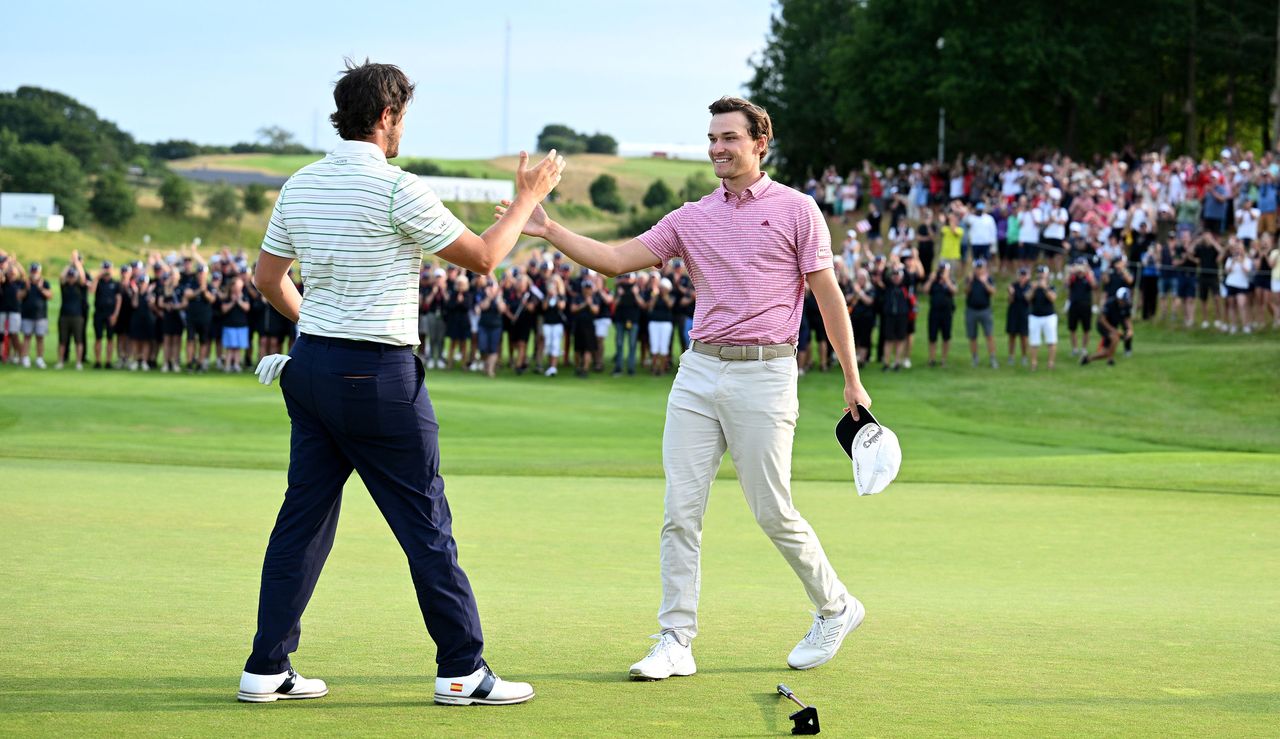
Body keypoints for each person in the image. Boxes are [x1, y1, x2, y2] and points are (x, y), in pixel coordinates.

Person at [500, 96, 872, 679]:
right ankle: (676, 638)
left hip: (766, 372)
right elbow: (617, 259)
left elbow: (828, 297)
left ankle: (836, 606)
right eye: (712, 137)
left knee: (772, 509)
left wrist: (851, 378)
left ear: (759, 144)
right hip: (698, 372)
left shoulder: (798, 211)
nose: (718, 147)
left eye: (730, 137)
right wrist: (549, 229)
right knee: (680, 512)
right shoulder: (691, 217)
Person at [241, 60, 563, 706]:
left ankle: (266, 667)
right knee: (426, 523)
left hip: (311, 370)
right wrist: (528, 197)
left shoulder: (298, 186)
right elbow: (485, 257)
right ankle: (462, 670)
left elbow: (267, 279)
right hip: (378, 377)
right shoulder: (396, 188)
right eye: (402, 118)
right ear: (387, 117)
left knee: (301, 521)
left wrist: (315, 330)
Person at [1081, 286, 1133, 366]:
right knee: (1115, 338)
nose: (1124, 302)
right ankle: (1110, 359)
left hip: (1112, 326)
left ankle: (1087, 359)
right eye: (1123, 300)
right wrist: (1114, 331)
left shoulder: (1126, 305)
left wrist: (1129, 329)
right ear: (1118, 298)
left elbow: (1127, 319)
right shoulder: (1110, 303)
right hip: (1103, 326)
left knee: (1105, 352)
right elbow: (1102, 320)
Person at [56, 252, 89, 370]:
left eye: (72, 276)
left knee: (78, 340)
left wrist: (76, 263)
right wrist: (70, 264)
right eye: (69, 276)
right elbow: (61, 277)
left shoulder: (79, 286)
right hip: (64, 316)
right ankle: (60, 361)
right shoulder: (64, 286)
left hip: (77, 316)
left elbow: (82, 276)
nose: (71, 278)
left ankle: (79, 362)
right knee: (62, 341)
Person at [964, 258, 998, 368]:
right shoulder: (970, 279)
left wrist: (984, 282)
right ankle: (975, 357)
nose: (979, 270)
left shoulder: (988, 279)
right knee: (972, 336)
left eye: (981, 268)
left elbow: (993, 292)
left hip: (985, 310)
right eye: (977, 268)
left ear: (984, 269)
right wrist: (970, 281)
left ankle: (992, 358)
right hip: (971, 310)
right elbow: (966, 291)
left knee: (989, 335)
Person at [18, 262, 52, 369]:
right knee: (27, 337)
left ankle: (39, 359)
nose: (34, 274)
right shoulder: (25, 283)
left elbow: (50, 295)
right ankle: (25, 358)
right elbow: (19, 296)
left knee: (40, 338)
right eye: (33, 271)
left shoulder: (44, 283)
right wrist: (26, 289)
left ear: (39, 272)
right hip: (27, 315)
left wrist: (40, 288)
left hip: (41, 315)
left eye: (36, 271)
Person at [922, 261, 956, 367]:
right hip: (934, 311)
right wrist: (931, 280)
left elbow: (954, 290)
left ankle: (943, 359)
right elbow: (925, 290)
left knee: (946, 336)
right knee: (932, 336)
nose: (942, 272)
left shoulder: (950, 280)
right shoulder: (934, 281)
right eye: (941, 269)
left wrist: (946, 280)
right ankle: (931, 359)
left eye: (944, 269)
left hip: (946, 312)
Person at [90, 260, 122, 369]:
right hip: (99, 313)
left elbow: (118, 299)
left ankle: (108, 361)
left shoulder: (115, 283)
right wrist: (98, 276)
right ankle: (98, 361)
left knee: (110, 338)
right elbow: (91, 291)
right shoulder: (98, 282)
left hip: (111, 314)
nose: (107, 271)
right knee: (98, 338)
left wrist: (115, 315)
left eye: (108, 269)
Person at [1026, 266, 1059, 371]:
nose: (1041, 275)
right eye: (1039, 273)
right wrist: (1033, 289)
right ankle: (1034, 363)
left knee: (1051, 340)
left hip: (1049, 316)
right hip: (1035, 316)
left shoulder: (1051, 286)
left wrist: (1045, 288)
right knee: (1034, 341)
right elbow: (1027, 298)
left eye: (1043, 273)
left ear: (1047, 274)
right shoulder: (1032, 286)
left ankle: (1051, 363)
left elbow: (1053, 298)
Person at [646, 276, 676, 375]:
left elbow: (670, 305)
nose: (662, 289)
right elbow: (650, 308)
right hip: (654, 323)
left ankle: (662, 369)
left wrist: (665, 295)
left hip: (666, 324)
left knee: (664, 346)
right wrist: (655, 296)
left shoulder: (671, 296)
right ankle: (654, 368)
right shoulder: (655, 296)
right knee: (654, 346)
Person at [540, 274, 567, 376]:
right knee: (548, 345)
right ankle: (549, 365)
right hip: (547, 323)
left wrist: (555, 296)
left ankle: (553, 367)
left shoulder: (561, 295)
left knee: (555, 345)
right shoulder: (546, 295)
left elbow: (561, 306)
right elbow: (544, 307)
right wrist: (549, 296)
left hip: (557, 324)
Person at [1005, 268, 1031, 366]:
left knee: (1024, 336)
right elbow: (1010, 301)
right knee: (1012, 336)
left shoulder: (1029, 286)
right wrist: (1011, 293)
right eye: (1021, 275)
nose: (1022, 277)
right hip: (1013, 313)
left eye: (1024, 275)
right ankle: (1011, 356)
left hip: (1024, 313)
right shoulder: (1013, 286)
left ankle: (1024, 356)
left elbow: (1028, 300)